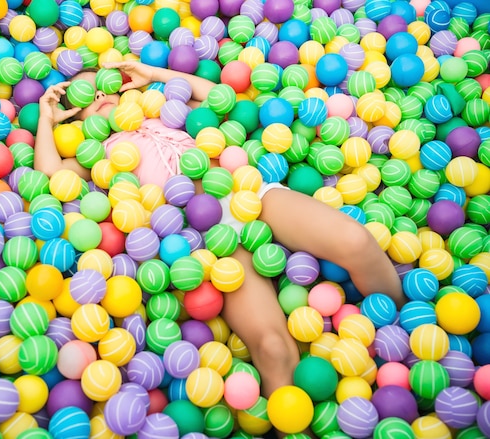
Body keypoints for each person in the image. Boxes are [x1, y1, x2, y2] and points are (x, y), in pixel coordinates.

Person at [35, 60, 405, 416]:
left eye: (105, 87)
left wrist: (154, 75)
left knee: (357, 242)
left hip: (245, 196)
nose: (101, 96)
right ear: (77, 119)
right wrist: (46, 118)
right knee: (273, 348)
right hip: (207, 241)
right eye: (88, 97)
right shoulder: (96, 153)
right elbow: (50, 174)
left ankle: (407, 333)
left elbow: (216, 95)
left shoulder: (163, 108)